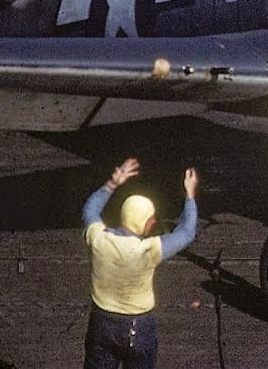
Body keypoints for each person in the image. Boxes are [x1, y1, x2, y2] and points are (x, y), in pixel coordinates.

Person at [82, 158, 199, 369]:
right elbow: (187, 232)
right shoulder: (148, 251)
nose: (154, 221)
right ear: (145, 222)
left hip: (101, 323)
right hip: (138, 328)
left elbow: (90, 210)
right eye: (151, 219)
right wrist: (190, 195)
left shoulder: (98, 240)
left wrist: (112, 183)